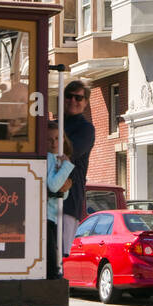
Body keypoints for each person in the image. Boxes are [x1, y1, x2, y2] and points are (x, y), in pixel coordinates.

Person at [29, 121, 73, 306]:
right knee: (48, 268)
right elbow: (53, 186)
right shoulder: (48, 159)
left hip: (50, 217)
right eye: (49, 139)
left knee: (47, 266)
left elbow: (61, 193)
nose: (54, 143)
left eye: (58, 139)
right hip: (45, 218)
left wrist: (66, 185)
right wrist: (67, 167)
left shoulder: (54, 159)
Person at [60, 80, 95, 257]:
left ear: (86, 102)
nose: (73, 100)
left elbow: (69, 153)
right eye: (69, 96)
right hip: (45, 199)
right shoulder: (54, 124)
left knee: (59, 255)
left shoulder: (86, 129)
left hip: (69, 199)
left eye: (78, 98)